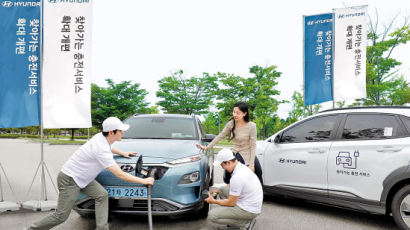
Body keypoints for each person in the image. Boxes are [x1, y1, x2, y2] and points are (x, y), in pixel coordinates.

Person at [26, 117, 154, 230]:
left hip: (82, 178)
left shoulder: (102, 137)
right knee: (61, 216)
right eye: (120, 130)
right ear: (111, 132)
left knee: (101, 195)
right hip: (70, 180)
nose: (123, 132)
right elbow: (120, 174)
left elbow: (110, 148)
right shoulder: (101, 149)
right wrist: (144, 181)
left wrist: (122, 153)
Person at [197, 102, 262, 184]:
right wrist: (207, 147)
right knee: (228, 178)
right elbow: (220, 136)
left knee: (258, 174)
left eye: (238, 113)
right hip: (235, 153)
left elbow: (253, 145)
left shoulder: (252, 126)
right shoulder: (231, 123)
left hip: (247, 154)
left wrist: (252, 165)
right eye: (234, 112)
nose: (235, 114)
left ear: (244, 114)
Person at [205, 148, 263, 229]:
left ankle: (243, 223)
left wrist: (214, 201)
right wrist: (217, 191)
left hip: (249, 210)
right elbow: (234, 186)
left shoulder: (237, 177)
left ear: (228, 162)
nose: (223, 168)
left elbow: (231, 203)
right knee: (222, 190)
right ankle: (237, 218)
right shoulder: (241, 167)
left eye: (222, 165)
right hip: (251, 203)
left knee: (212, 216)